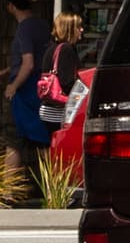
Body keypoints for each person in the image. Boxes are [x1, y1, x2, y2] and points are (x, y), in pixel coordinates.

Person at [1, 0, 56, 164]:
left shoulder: (24, 28)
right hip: (41, 92)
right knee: (42, 142)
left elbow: (28, 62)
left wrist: (13, 86)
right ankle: (53, 185)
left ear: (11, 6)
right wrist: (7, 70)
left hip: (24, 94)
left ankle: (8, 189)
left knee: (13, 142)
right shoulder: (43, 26)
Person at [39, 11, 91, 173]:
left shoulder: (52, 48)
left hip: (48, 109)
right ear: (70, 28)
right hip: (58, 111)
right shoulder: (67, 49)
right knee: (63, 152)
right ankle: (57, 190)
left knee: (52, 150)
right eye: (78, 27)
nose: (81, 30)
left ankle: (51, 189)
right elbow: (68, 82)